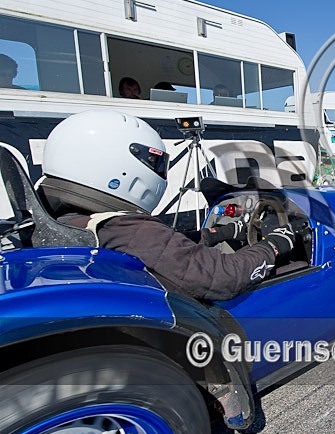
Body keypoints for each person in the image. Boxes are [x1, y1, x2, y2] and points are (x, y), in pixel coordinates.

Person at [39, 110, 295, 301]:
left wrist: (223, 233)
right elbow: (222, 276)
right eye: (156, 163)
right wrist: (273, 245)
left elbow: (166, 248)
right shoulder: (123, 228)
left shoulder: (71, 220)